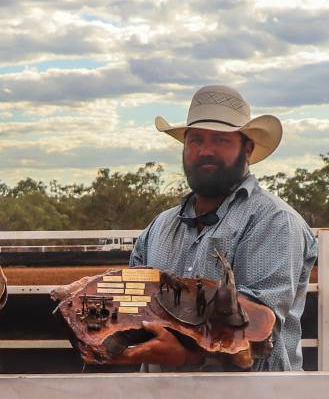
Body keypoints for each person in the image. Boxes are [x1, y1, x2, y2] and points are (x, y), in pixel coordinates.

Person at [125, 85, 316, 371]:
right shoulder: (158, 227)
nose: (205, 151)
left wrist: (187, 357)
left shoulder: (273, 222)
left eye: (220, 141)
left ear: (247, 148)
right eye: (196, 140)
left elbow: (260, 333)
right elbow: (132, 307)